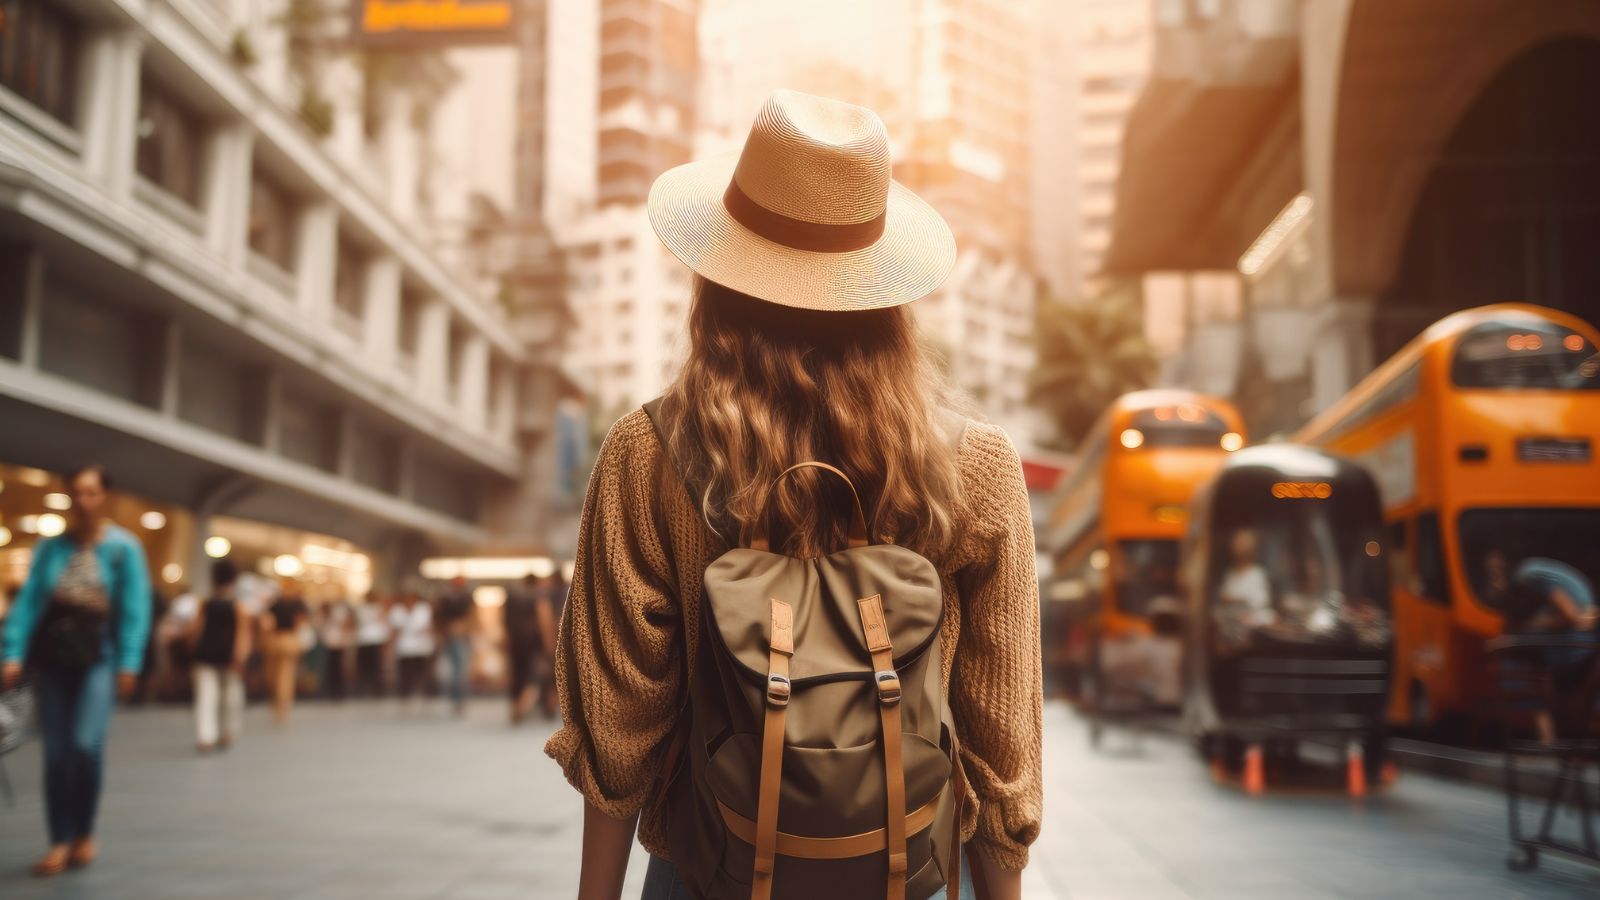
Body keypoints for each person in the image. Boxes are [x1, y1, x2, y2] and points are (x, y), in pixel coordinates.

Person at [546, 91, 1039, 900]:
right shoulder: (976, 464)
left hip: (706, 868)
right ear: (884, 293)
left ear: (719, 273)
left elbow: (619, 718)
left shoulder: (651, 452)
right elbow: (999, 732)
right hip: (901, 873)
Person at [0, 464, 152, 877]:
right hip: (54, 657)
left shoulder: (124, 548)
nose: (82, 501)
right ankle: (60, 841)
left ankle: (85, 831)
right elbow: (29, 601)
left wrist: (129, 662)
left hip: (99, 655)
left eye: (91, 492)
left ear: (104, 497)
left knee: (86, 746)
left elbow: (136, 609)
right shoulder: (51, 548)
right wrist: (11, 651)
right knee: (56, 753)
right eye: (76, 493)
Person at [187, 558, 251, 753]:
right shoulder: (237, 605)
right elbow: (243, 633)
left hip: (205, 654)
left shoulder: (205, 603)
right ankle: (227, 731)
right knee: (231, 695)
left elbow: (195, 630)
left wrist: (190, 650)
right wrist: (241, 655)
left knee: (206, 696)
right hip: (228, 656)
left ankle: (205, 736)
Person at [261, 578, 309, 724]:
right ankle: (282, 707)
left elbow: (266, 622)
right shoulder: (295, 603)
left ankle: (279, 706)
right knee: (284, 676)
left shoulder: (278, 603)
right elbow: (301, 623)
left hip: (277, 639)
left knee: (277, 676)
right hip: (288, 639)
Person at [433, 575, 476, 717]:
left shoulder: (467, 598)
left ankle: (459, 699)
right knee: (456, 670)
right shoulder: (445, 598)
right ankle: (457, 698)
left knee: (460, 670)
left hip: (462, 637)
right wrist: (443, 631)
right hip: (449, 637)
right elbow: (438, 617)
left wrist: (467, 628)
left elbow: (472, 615)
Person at [502, 575, 542, 724]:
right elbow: (542, 618)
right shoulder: (537, 596)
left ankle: (515, 706)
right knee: (532, 676)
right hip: (532, 641)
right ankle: (521, 707)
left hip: (515, 640)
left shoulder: (511, 596)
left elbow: (505, 620)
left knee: (517, 675)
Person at [389, 590, 434, 708]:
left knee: (421, 672)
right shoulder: (397, 610)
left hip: (421, 648)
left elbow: (428, 627)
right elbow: (394, 629)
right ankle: (405, 696)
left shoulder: (423, 609)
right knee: (405, 674)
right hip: (404, 648)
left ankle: (425, 694)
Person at [353, 593, 390, 697]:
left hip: (375, 639)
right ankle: (366, 687)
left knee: (375, 666)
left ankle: (375, 688)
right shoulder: (363, 609)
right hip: (365, 639)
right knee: (366, 666)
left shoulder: (377, 608)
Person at [320, 595, 355, 700]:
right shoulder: (328, 612)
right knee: (331, 667)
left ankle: (340, 691)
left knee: (340, 667)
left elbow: (348, 624)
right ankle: (331, 690)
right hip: (330, 642)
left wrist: (345, 638)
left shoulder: (342, 611)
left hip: (339, 642)